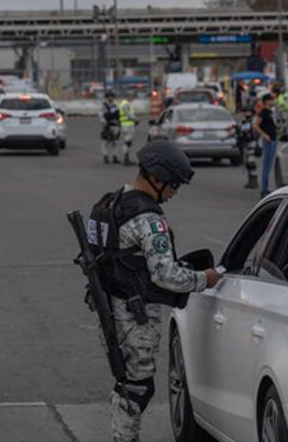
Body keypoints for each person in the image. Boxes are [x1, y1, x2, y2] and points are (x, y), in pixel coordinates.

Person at [86, 141, 223, 442]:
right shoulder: (148, 218)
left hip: (110, 308)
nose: (174, 194)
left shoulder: (109, 203)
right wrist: (205, 278)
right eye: (173, 186)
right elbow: (164, 274)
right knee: (138, 389)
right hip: (135, 317)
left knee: (126, 384)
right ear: (157, 179)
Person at [254, 94, 278, 197]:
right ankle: (263, 189)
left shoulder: (270, 112)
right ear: (267, 101)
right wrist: (265, 135)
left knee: (269, 165)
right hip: (268, 141)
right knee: (266, 165)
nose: (273, 101)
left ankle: (266, 187)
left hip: (273, 139)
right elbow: (255, 125)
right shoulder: (264, 112)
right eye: (271, 100)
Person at [236, 108, 259, 189]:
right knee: (247, 162)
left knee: (251, 161)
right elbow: (238, 131)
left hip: (252, 143)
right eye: (245, 112)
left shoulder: (254, 121)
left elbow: (256, 132)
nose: (246, 114)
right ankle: (250, 180)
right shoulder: (242, 122)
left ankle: (254, 181)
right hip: (245, 144)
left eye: (248, 112)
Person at [100, 91, 122, 164]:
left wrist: (119, 123)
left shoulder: (115, 105)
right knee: (105, 142)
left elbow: (118, 115)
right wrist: (104, 124)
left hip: (115, 125)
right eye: (109, 96)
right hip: (107, 125)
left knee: (115, 142)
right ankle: (105, 156)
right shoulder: (104, 105)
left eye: (112, 96)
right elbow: (102, 116)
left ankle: (114, 156)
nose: (110, 98)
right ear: (107, 97)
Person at [117, 92, 138, 166]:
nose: (132, 98)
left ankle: (127, 158)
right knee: (127, 142)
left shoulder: (123, 103)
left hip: (126, 124)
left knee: (128, 142)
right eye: (131, 96)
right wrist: (135, 119)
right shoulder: (125, 104)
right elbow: (128, 113)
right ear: (128, 96)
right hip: (127, 125)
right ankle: (126, 159)